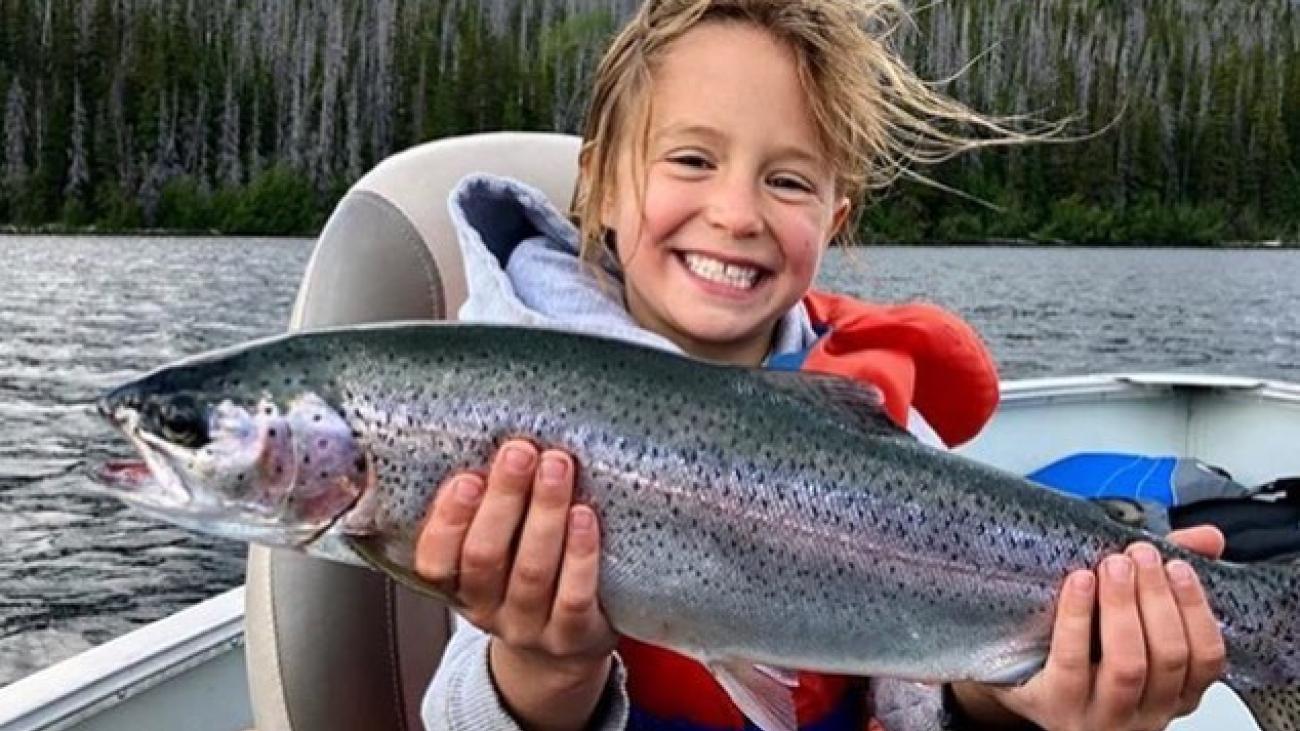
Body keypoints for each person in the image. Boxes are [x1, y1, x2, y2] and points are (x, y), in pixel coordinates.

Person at [414, 1, 1228, 729]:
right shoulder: (504, 405)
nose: (736, 213)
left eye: (788, 180)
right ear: (599, 187)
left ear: (834, 219)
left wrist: (1013, 698)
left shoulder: (880, 419)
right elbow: (456, 713)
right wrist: (546, 664)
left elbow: (917, 698)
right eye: (692, 161)